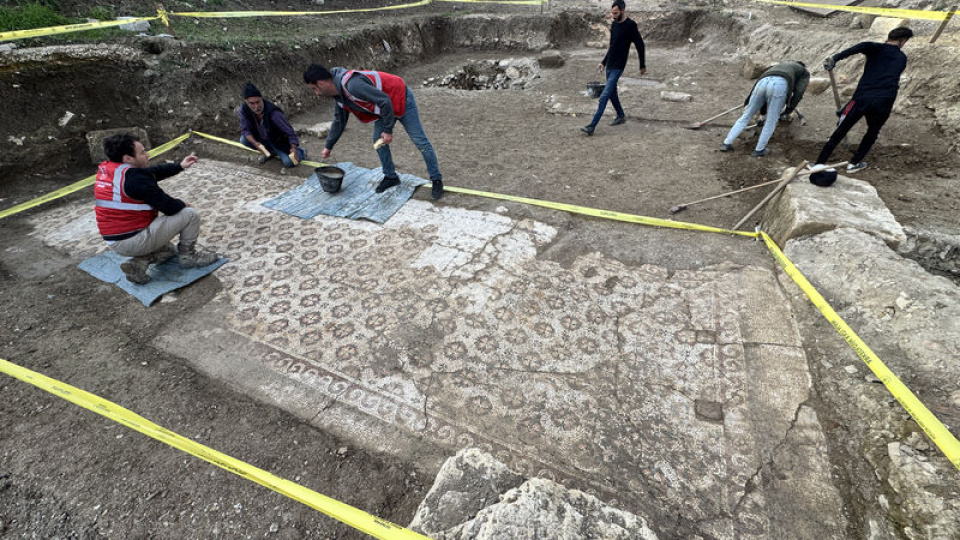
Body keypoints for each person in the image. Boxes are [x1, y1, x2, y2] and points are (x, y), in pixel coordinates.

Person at [302, 64, 444, 200]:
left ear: (321, 83)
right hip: (385, 106)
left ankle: (436, 179)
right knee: (378, 140)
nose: (316, 93)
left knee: (420, 141)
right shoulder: (339, 96)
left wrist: (388, 131)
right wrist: (329, 146)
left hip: (400, 97)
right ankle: (391, 177)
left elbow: (385, 100)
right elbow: (339, 121)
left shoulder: (352, 85)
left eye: (314, 89)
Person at [95, 134, 219, 285]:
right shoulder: (135, 179)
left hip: (116, 241)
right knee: (189, 214)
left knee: (169, 251)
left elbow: (150, 173)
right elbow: (169, 207)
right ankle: (189, 257)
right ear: (127, 158)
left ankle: (138, 264)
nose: (147, 154)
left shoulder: (109, 168)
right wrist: (182, 203)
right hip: (132, 239)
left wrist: (179, 166)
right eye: (142, 152)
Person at [813, 26, 913, 173]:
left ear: (889, 37)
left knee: (842, 129)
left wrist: (835, 58)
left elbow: (861, 46)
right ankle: (854, 163)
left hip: (862, 97)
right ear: (903, 41)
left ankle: (819, 163)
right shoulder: (902, 58)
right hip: (885, 100)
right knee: (873, 131)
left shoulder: (874, 47)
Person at [580, 0, 646, 136]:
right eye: (612, 13)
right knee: (612, 93)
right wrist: (603, 62)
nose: (613, 15)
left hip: (618, 67)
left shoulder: (630, 26)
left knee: (604, 96)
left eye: (615, 13)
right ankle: (621, 116)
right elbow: (612, 46)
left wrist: (642, 65)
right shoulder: (614, 25)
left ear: (622, 10)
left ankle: (591, 126)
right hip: (610, 65)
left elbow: (640, 45)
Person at [720, 61, 809, 157]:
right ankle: (759, 150)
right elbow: (799, 93)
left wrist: (762, 115)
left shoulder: (781, 65)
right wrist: (788, 110)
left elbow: (764, 92)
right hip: (779, 86)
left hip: (761, 83)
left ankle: (726, 143)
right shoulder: (804, 72)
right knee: (771, 121)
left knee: (746, 116)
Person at [237, 82, 305, 168]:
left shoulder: (274, 113)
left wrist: (294, 149)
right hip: (262, 140)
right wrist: (256, 144)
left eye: (258, 102)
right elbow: (246, 130)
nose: (256, 106)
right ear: (246, 102)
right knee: (243, 139)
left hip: (277, 141)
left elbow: (290, 133)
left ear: (262, 98)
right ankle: (270, 152)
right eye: (252, 103)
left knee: (289, 162)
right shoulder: (243, 110)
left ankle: (301, 152)